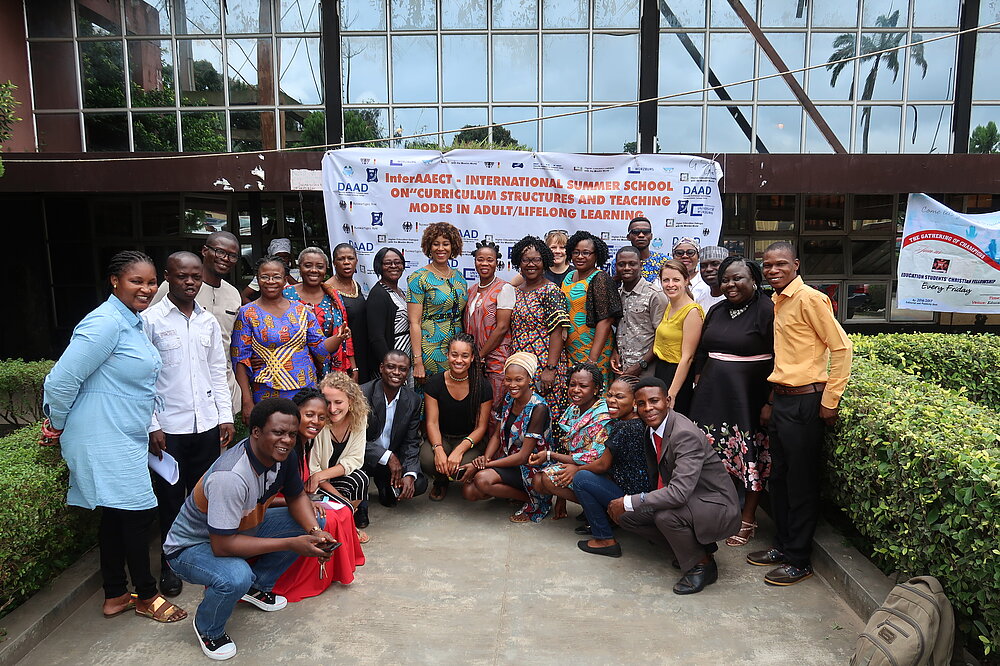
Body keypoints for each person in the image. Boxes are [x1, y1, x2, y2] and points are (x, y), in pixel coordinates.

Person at [41, 250, 187, 623]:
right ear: (115, 280)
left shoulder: (131, 322)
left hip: (123, 433)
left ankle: (115, 594)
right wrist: (56, 423)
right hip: (103, 436)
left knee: (116, 517)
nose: (146, 288)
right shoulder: (105, 323)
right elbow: (61, 380)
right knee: (140, 513)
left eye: (152, 282)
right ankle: (146, 595)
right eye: (136, 280)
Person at [164, 398, 337, 660]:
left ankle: (257, 586)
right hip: (192, 547)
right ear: (256, 432)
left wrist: (313, 531)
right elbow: (222, 546)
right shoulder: (230, 477)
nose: (287, 440)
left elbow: (296, 497)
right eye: (278, 432)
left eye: (291, 433)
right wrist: (292, 543)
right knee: (236, 575)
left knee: (314, 523)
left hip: (243, 528)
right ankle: (208, 628)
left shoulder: (283, 454)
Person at [749, 241, 852, 586]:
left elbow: (841, 347)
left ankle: (799, 559)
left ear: (795, 264)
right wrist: (771, 402)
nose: (773, 270)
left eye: (780, 264)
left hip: (807, 402)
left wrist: (830, 401)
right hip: (783, 400)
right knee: (778, 479)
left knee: (801, 483)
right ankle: (782, 544)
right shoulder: (777, 301)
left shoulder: (810, 299)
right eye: (767, 265)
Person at [143, 252, 235, 598]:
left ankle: (200, 555)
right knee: (169, 500)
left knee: (203, 497)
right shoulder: (151, 321)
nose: (190, 282)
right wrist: (152, 424)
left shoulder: (207, 321)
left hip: (207, 426)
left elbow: (217, 371)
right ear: (168, 277)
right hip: (169, 431)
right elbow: (145, 380)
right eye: (182, 276)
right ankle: (170, 564)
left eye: (196, 276)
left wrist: (224, 416)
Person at [608, 378, 741, 595]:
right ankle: (698, 549)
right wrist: (633, 505)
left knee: (665, 517)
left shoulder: (683, 434)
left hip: (715, 505)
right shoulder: (653, 427)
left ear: (668, 401)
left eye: (654, 401)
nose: (648, 408)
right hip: (690, 498)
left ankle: (702, 566)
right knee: (628, 517)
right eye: (641, 403)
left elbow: (678, 494)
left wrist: (628, 500)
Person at [689, 256, 774, 548]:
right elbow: (702, 350)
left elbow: (782, 358)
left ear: (754, 280)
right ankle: (718, 514)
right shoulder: (717, 310)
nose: (731, 284)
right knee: (713, 460)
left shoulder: (768, 310)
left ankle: (747, 518)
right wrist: (699, 380)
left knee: (749, 458)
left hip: (748, 400)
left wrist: (771, 401)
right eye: (725, 279)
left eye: (738, 278)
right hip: (712, 398)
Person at [271, 388, 365, 603]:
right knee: (324, 518)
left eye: (321, 418)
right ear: (296, 414)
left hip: (297, 499)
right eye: (309, 415)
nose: (316, 421)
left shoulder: (305, 442)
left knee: (341, 511)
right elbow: (262, 500)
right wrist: (303, 503)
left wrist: (305, 500)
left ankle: (331, 573)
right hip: (268, 510)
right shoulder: (285, 447)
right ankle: (281, 580)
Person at [231, 256, 339, 422]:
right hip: (267, 391)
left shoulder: (302, 311)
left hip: (304, 389)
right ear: (257, 280)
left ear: (285, 280)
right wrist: (246, 400)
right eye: (264, 277)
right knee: (273, 437)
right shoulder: (247, 313)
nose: (270, 281)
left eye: (276, 277)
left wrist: (338, 338)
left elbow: (319, 347)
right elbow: (240, 359)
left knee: (305, 436)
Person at [149, 231, 243, 414]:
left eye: (232, 255)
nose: (225, 259)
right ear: (205, 251)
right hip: (177, 387)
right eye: (220, 252)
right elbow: (150, 326)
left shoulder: (233, 294)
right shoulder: (174, 288)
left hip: (222, 383)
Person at [460, 352, 553, 523]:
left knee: (482, 480)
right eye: (508, 379)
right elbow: (497, 434)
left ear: (530, 379)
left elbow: (523, 457)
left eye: (519, 379)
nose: (512, 384)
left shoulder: (539, 407)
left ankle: (533, 500)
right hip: (510, 462)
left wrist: (484, 465)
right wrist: (484, 458)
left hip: (530, 469)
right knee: (469, 492)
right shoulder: (509, 398)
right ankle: (517, 495)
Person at [573, 375, 651, 557]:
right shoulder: (634, 423)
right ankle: (606, 522)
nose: (611, 401)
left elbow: (602, 465)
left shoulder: (626, 427)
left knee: (581, 479)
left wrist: (576, 469)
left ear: (635, 402)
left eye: (620, 397)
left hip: (632, 498)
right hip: (632, 490)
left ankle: (604, 539)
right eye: (609, 395)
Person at [529, 363, 611, 519]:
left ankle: (601, 510)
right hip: (577, 464)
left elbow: (595, 458)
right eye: (572, 385)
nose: (576, 390)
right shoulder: (573, 409)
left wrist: (550, 455)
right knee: (538, 481)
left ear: (596, 389)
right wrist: (561, 498)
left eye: (583, 386)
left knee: (546, 478)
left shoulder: (603, 416)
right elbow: (569, 448)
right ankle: (592, 507)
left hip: (598, 471)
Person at [420, 333, 493, 501]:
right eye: (454, 354)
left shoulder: (482, 386)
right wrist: (438, 449)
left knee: (462, 466)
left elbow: (481, 427)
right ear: (447, 355)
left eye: (465, 356)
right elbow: (431, 422)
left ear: (473, 358)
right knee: (427, 460)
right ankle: (440, 480)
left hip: (469, 440)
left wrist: (459, 451)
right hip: (443, 437)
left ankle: (456, 476)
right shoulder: (434, 384)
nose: (459, 360)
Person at [508, 235, 570, 427]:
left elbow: (558, 331)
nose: (531, 264)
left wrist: (550, 369)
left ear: (545, 262)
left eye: (536, 259)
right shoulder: (517, 291)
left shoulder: (551, 291)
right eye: (526, 260)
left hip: (544, 367)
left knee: (544, 420)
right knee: (522, 419)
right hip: (521, 367)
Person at [308, 371, 372, 543]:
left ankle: (346, 520)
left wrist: (323, 476)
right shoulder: (317, 423)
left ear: (350, 401)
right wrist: (341, 498)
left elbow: (355, 459)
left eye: (338, 402)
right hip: (314, 484)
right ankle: (349, 525)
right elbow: (312, 471)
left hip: (329, 476)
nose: (332, 409)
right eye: (327, 402)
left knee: (360, 479)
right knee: (338, 499)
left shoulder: (358, 418)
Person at [360, 350, 428, 511]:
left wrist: (410, 474)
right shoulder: (363, 394)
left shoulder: (413, 400)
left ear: (408, 373)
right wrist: (387, 456)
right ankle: (360, 502)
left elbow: (411, 441)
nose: (396, 373)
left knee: (418, 483)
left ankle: (385, 483)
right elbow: (354, 440)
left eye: (402, 369)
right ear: (381, 368)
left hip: (391, 461)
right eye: (391, 367)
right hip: (362, 457)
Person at [407, 222, 469, 387]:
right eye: (436, 244)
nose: (441, 248)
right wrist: (418, 360)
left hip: (457, 350)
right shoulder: (418, 278)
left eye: (446, 244)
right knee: (431, 395)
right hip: (430, 348)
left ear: (453, 246)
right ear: (429, 246)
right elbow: (414, 322)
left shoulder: (459, 277)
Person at [283, 247, 355, 378]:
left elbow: (345, 334)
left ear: (326, 269)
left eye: (319, 266)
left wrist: (353, 368)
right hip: (294, 369)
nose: (314, 270)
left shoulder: (334, 296)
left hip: (331, 369)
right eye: (308, 265)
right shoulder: (286, 295)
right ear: (299, 267)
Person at [562, 231, 622, 386]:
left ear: (596, 256)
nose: (580, 257)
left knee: (593, 391)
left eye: (586, 253)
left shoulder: (600, 278)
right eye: (576, 252)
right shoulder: (569, 276)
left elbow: (606, 320)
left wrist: (592, 359)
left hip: (594, 348)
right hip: (571, 349)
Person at [464, 240, 514, 414]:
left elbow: (502, 327)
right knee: (476, 406)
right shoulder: (470, 291)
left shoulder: (504, 288)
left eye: (490, 260)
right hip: (474, 361)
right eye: (480, 259)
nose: (484, 263)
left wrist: (480, 355)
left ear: (497, 263)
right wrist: (473, 357)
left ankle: (495, 442)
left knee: (494, 407)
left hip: (495, 360)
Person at [652, 259, 704, 415]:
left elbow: (687, 357)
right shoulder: (670, 304)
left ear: (686, 280)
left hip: (677, 375)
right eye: (666, 280)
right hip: (661, 369)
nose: (670, 284)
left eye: (676, 280)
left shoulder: (692, 312)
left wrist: (672, 393)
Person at [610, 246, 667, 378]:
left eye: (632, 264)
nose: (627, 268)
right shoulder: (617, 294)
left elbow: (662, 337)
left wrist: (641, 365)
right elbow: (617, 329)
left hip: (646, 370)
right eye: (621, 264)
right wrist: (614, 352)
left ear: (640, 265)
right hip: (621, 369)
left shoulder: (655, 295)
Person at [326, 243, 370, 381]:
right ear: (334, 263)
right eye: (341, 259)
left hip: (362, 350)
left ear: (356, 261)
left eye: (350, 258)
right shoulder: (328, 290)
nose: (346, 263)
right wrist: (352, 364)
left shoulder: (355, 285)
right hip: (343, 355)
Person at [366, 247, 411, 375]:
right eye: (387, 263)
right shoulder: (378, 294)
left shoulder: (400, 292)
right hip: (393, 361)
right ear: (379, 266)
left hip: (405, 356)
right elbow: (376, 337)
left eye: (397, 262)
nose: (393, 266)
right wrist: (389, 366)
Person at [242, 238, 301, 303]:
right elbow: (244, 295)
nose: (283, 260)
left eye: (285, 257)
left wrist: (286, 273)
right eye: (279, 257)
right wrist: (253, 309)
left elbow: (301, 290)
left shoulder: (297, 273)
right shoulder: (263, 275)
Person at [624, 216, 670, 283]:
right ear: (628, 237)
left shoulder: (665, 261)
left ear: (651, 236)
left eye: (646, 232)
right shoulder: (620, 263)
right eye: (636, 232)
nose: (641, 235)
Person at [672, 237, 711, 304]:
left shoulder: (706, 281)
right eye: (679, 253)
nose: (685, 256)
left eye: (690, 252)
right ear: (673, 257)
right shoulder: (663, 281)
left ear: (698, 257)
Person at [696, 245, 730, 311]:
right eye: (703, 266)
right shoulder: (700, 295)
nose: (708, 269)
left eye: (715, 264)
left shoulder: (734, 297)